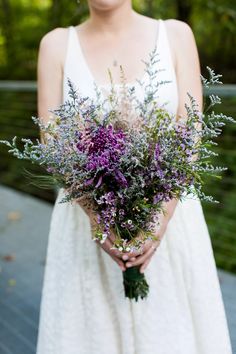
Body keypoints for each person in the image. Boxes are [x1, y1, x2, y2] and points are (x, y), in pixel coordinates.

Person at [36, 1, 233, 353]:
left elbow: (191, 135)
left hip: (171, 226)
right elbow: (53, 146)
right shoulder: (55, 45)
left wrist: (159, 223)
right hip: (86, 229)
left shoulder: (175, 35)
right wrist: (98, 220)